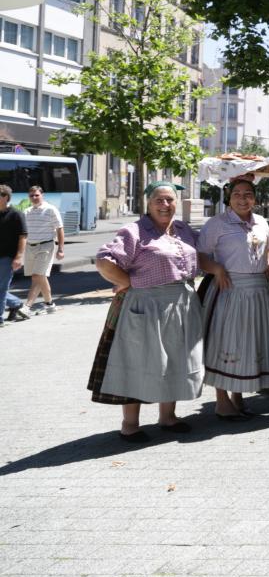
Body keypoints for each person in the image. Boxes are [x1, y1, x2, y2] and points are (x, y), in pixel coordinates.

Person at [88, 182, 203, 442]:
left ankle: (168, 417)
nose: (165, 205)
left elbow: (201, 255)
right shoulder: (135, 231)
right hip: (146, 304)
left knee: (175, 358)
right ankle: (130, 424)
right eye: (159, 200)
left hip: (180, 303)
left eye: (170, 200)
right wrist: (127, 282)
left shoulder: (184, 230)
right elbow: (104, 261)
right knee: (138, 361)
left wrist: (218, 269)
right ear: (148, 204)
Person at [197, 178, 269, 420]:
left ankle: (238, 398)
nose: (243, 199)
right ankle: (222, 401)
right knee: (227, 343)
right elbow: (200, 256)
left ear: (255, 197)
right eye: (237, 194)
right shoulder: (217, 223)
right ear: (229, 198)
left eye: (248, 194)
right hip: (229, 289)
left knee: (249, 344)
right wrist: (218, 270)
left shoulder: (261, 221)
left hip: (257, 290)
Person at [21, 185, 64, 314]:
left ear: (42, 195)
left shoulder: (51, 210)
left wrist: (61, 249)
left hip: (46, 246)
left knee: (37, 276)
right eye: (31, 196)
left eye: (37, 195)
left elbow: (60, 229)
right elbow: (23, 233)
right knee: (40, 277)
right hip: (30, 247)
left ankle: (27, 307)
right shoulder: (27, 212)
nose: (34, 198)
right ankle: (50, 304)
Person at [0, 185, 29, 322]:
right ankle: (15, 303)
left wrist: (19, 257)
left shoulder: (16, 214)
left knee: (1, 288)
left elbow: (23, 236)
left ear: (5, 197)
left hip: (7, 257)